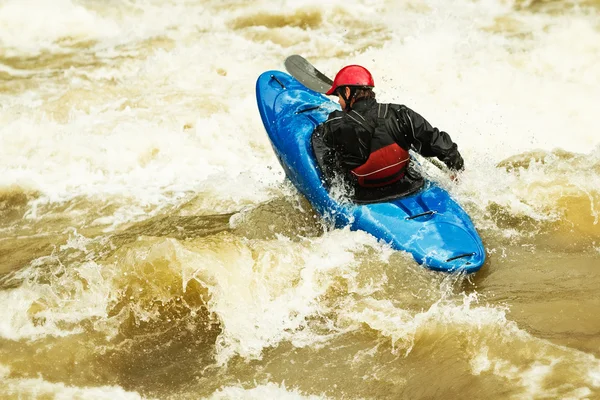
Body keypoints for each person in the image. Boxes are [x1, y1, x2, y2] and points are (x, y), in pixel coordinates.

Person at [311, 65, 464, 203]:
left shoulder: (337, 124)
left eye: (339, 96)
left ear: (348, 92)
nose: (338, 102)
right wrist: (456, 168)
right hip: (407, 186)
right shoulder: (400, 114)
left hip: (364, 196)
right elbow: (439, 143)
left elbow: (323, 153)